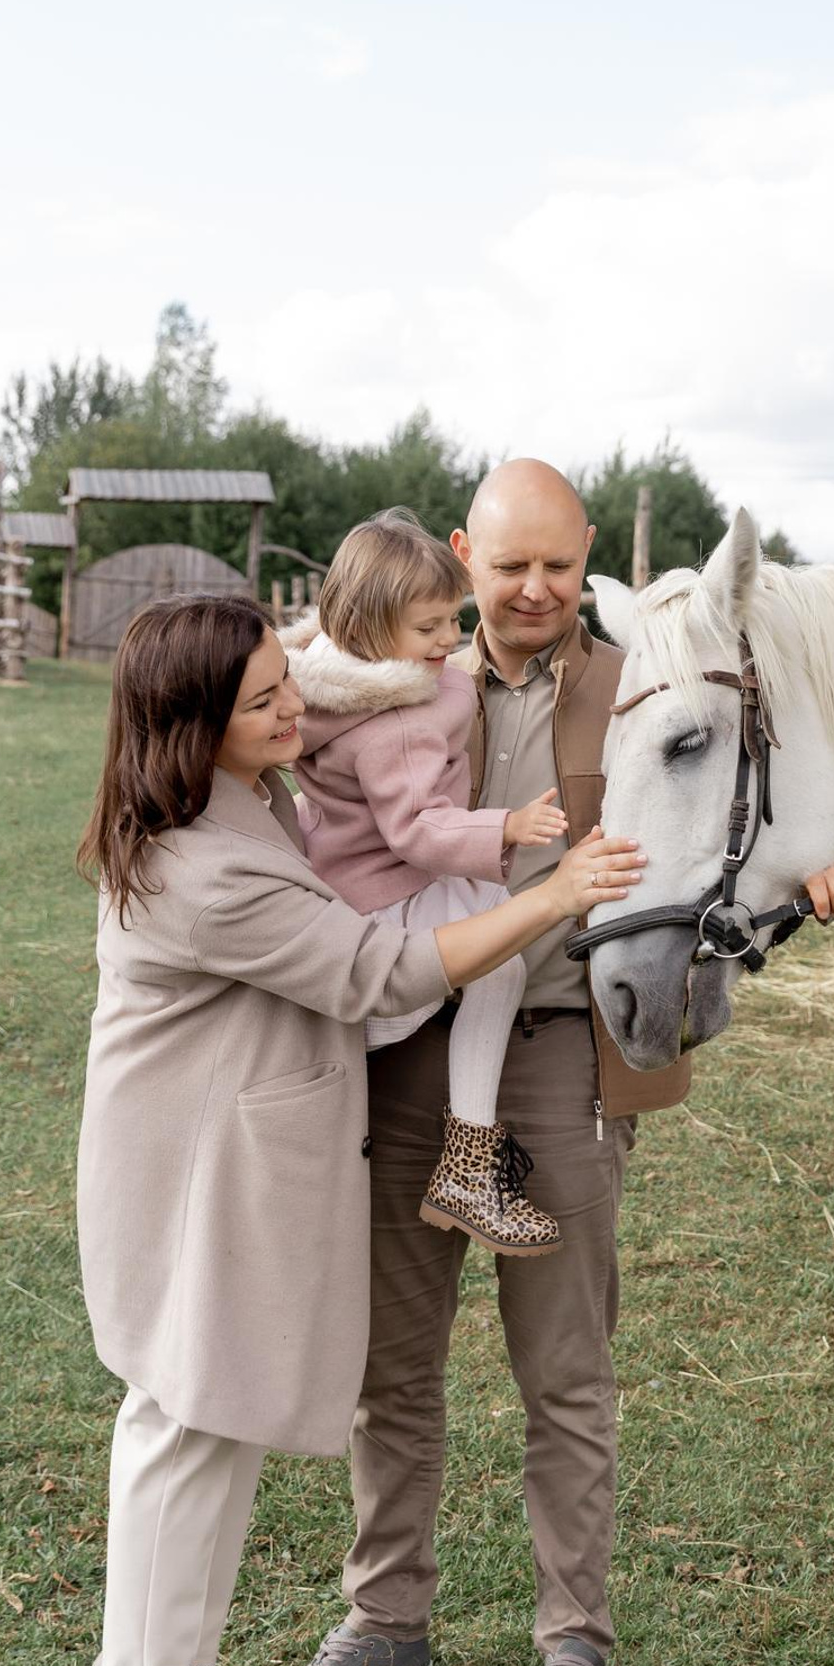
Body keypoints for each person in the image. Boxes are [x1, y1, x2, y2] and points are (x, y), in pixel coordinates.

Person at [266, 464, 834, 1666]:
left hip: (556, 1049)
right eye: (507, 567)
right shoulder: (400, 669)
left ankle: (574, 1646)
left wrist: (832, 858)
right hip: (398, 1042)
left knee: (565, 1370)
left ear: (587, 553)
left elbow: (742, 798)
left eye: (556, 563)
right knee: (393, 1363)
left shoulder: (640, 678)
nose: (535, 589)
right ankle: (386, 1619)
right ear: (461, 557)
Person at [71, 592, 645, 1666]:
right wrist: (555, 899)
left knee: (211, 1431)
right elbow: (377, 971)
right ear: (196, 724)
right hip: (199, 1181)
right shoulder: (206, 871)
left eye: (289, 679)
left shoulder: (240, 797)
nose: (299, 706)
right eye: (266, 699)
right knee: (179, 1431)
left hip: (227, 1163)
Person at [282, 507, 570, 1254]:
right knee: (492, 966)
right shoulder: (400, 720)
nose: (450, 640)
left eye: (452, 619)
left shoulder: (317, 672)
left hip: (345, 873)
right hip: (393, 886)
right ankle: (469, 1164)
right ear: (373, 630)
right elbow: (416, 827)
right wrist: (502, 828)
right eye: (430, 628)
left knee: (457, 974)